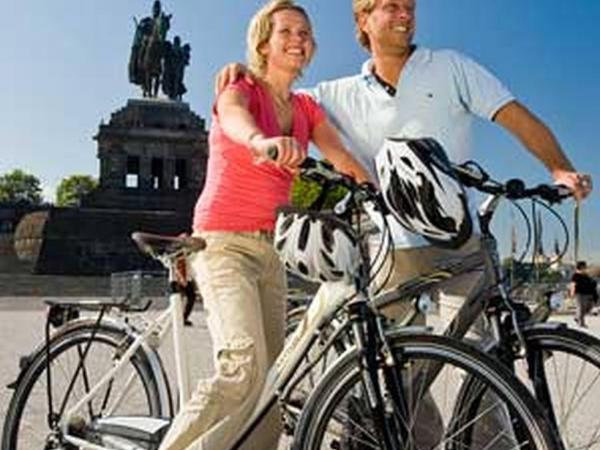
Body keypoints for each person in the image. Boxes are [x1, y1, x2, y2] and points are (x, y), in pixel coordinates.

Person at [216, 0, 593, 332]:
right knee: (394, 369)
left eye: (410, 8)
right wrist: (246, 69)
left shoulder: (451, 67)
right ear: (363, 19)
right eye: (392, 6)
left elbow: (516, 117)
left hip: (461, 238)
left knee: (481, 355)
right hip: (390, 245)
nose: (405, 15)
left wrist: (559, 168)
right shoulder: (334, 95)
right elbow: (277, 89)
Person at [159, 1, 370, 450]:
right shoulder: (241, 85)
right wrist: (261, 140)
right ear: (263, 43)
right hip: (222, 242)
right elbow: (235, 117)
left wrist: (385, 197)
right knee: (244, 367)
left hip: (272, 251)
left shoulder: (307, 108)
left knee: (272, 387)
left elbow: (344, 160)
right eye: (287, 31)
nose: (299, 39)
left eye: (306, 33)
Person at [570, 261, 598, 328]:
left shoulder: (586, 276)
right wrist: (572, 293)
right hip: (580, 294)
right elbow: (573, 284)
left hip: (588, 294)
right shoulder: (576, 275)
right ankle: (581, 323)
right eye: (584, 267)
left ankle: (577, 317)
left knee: (588, 308)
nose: (585, 268)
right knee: (581, 308)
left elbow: (591, 284)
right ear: (580, 267)